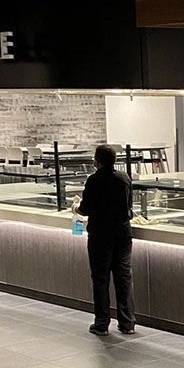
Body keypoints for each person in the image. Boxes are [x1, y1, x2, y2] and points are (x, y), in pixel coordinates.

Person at [74, 143, 135, 336]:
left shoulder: (94, 180)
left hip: (101, 235)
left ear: (97, 161)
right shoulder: (125, 177)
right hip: (123, 233)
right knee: (123, 277)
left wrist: (75, 207)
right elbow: (129, 208)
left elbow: (86, 209)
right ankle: (127, 323)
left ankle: (101, 323)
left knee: (100, 278)